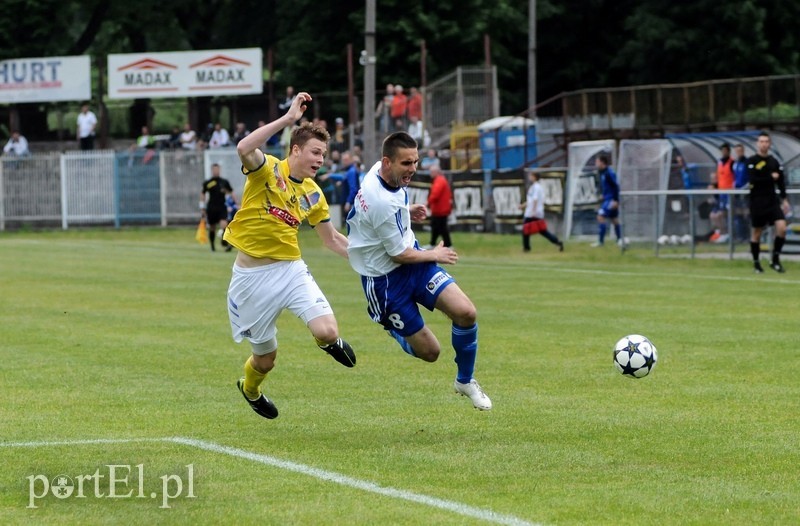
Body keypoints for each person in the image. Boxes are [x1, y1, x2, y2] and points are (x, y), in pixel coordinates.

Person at [223, 91, 356, 419]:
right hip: (251, 281)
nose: (320, 160)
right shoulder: (266, 170)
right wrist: (287, 120)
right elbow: (243, 148)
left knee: (327, 331)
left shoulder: (314, 194)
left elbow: (334, 240)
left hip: (290, 271)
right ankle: (251, 389)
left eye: (324, 155)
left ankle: (328, 343)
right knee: (266, 359)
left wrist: (376, 262)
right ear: (295, 150)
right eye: (315, 152)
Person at [345, 131, 492, 411]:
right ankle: (389, 324)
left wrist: (406, 209)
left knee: (466, 312)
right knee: (431, 352)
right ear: (387, 162)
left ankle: (465, 380)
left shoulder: (381, 173)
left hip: (414, 266)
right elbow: (398, 254)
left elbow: (388, 212)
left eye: (415, 161)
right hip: (386, 283)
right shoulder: (381, 202)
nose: (413, 169)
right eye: (406, 164)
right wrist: (435, 253)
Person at [746, 132, 790, 273]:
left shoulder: (774, 161)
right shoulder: (752, 161)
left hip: (772, 201)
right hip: (758, 201)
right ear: (757, 143)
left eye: (766, 141)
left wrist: (784, 199)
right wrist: (770, 177)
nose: (764, 144)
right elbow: (753, 180)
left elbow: (780, 181)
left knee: (782, 228)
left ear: (769, 144)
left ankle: (775, 260)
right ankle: (756, 263)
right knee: (757, 232)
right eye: (761, 141)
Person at [520, 171, 563, 252]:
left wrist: (533, 211)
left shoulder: (536, 187)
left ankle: (526, 248)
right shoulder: (534, 187)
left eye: (531, 175)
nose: (530, 177)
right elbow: (531, 200)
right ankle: (558, 242)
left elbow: (535, 200)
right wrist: (523, 205)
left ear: (534, 177)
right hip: (535, 212)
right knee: (542, 231)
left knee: (526, 229)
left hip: (533, 213)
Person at [591, 154, 624, 247]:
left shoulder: (609, 173)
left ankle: (601, 242)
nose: (596, 164)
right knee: (614, 219)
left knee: (600, 217)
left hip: (611, 200)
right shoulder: (602, 172)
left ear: (602, 162)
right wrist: (603, 195)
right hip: (607, 198)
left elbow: (616, 186)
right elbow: (608, 187)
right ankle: (620, 240)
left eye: (597, 162)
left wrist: (616, 200)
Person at [200, 163, 233, 252]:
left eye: (217, 169)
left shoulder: (224, 182)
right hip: (211, 207)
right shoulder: (208, 182)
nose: (216, 171)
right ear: (212, 170)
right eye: (214, 169)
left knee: (224, 225)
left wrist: (236, 203)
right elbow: (203, 193)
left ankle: (226, 242)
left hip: (222, 207)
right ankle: (212, 246)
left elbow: (230, 192)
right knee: (212, 228)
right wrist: (202, 207)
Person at [427, 166, 453, 248]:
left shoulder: (439, 181)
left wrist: (427, 203)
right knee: (436, 227)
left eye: (431, 172)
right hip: (439, 209)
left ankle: (448, 244)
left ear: (436, 172)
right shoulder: (440, 180)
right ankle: (432, 243)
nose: (430, 174)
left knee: (442, 228)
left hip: (440, 209)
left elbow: (435, 194)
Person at [341, 151, 361, 215]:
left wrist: (348, 202)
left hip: (352, 202)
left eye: (346, 160)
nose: (344, 162)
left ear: (351, 160)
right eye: (343, 160)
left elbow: (353, 188)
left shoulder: (351, 171)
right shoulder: (348, 170)